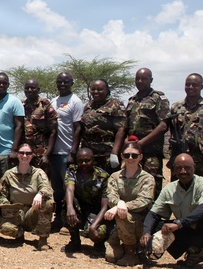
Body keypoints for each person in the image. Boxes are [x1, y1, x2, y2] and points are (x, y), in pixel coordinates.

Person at [97, 140, 155, 266]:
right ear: (122, 156)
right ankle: (124, 246)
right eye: (127, 155)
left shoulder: (147, 178)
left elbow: (145, 200)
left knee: (122, 214)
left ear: (140, 157)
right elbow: (111, 196)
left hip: (140, 220)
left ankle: (131, 253)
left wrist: (123, 206)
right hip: (121, 222)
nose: (130, 158)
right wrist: (119, 204)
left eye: (134, 155)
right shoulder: (115, 177)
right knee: (111, 256)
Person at [167, 73, 203, 184]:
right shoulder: (176, 107)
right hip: (181, 157)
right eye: (188, 84)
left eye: (194, 85)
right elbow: (172, 129)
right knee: (179, 187)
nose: (190, 87)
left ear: (201, 87)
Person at [0, 143, 54, 250]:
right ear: (17, 155)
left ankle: (42, 239)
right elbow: (2, 195)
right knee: (6, 229)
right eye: (22, 153)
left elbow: (47, 188)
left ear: (32, 156)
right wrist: (8, 208)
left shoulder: (38, 173)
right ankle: (19, 233)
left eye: (28, 153)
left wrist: (40, 194)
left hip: (33, 212)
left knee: (48, 202)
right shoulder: (9, 174)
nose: (24, 156)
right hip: (15, 212)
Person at [48, 72, 83, 231]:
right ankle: (58, 218)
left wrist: (72, 152)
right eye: (59, 82)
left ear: (72, 83)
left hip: (66, 152)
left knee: (70, 187)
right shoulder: (54, 101)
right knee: (57, 189)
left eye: (66, 82)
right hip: (53, 152)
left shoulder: (75, 102)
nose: (62, 84)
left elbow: (78, 128)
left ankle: (73, 220)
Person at [125, 68, 170, 191]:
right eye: (137, 78)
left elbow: (163, 126)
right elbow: (125, 126)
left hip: (151, 151)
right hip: (132, 152)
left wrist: (141, 143)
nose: (140, 81)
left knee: (152, 184)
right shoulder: (132, 100)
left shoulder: (158, 98)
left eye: (144, 78)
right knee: (133, 183)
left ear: (151, 80)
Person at [62, 148, 111, 254]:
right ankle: (75, 242)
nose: (83, 164)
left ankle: (99, 244)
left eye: (87, 160)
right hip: (80, 210)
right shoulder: (72, 171)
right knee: (66, 205)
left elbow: (105, 206)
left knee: (99, 231)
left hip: (96, 213)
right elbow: (69, 188)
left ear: (93, 160)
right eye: (80, 161)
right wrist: (70, 208)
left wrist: (93, 227)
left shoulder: (103, 176)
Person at [74, 79, 126, 174]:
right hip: (89, 156)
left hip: (106, 153)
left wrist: (115, 152)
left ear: (107, 90)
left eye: (99, 89)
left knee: (108, 182)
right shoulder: (88, 105)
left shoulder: (115, 105)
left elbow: (121, 129)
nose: (96, 92)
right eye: (93, 89)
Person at [0, 72, 25, 178]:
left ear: (8, 85)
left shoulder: (15, 102)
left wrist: (14, 150)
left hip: (6, 152)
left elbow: (19, 126)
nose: (1, 85)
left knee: (7, 184)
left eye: (4, 83)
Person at [22, 79, 57, 169]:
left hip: (41, 153)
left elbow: (53, 131)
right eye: (27, 88)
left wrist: (47, 155)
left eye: (32, 88)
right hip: (25, 153)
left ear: (38, 90)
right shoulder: (21, 106)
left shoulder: (45, 105)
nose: (29, 90)